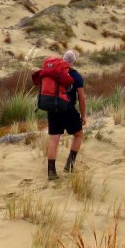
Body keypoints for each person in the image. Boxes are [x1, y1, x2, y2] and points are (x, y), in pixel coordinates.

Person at [46, 50, 86, 180]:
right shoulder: (76, 76)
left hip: (52, 109)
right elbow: (81, 98)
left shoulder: (54, 73)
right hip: (68, 110)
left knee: (54, 139)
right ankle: (69, 164)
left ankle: (51, 171)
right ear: (73, 62)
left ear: (63, 60)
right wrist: (83, 116)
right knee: (79, 135)